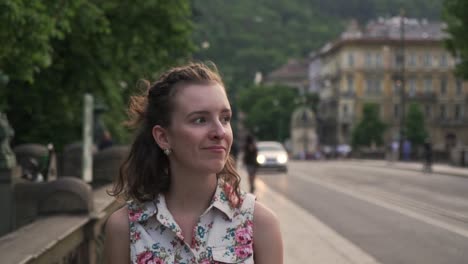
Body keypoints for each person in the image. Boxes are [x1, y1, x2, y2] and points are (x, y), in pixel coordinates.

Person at [105, 62, 283, 264]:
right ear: (163, 137)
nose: (220, 132)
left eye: (225, 118)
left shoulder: (260, 224)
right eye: (200, 120)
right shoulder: (125, 228)